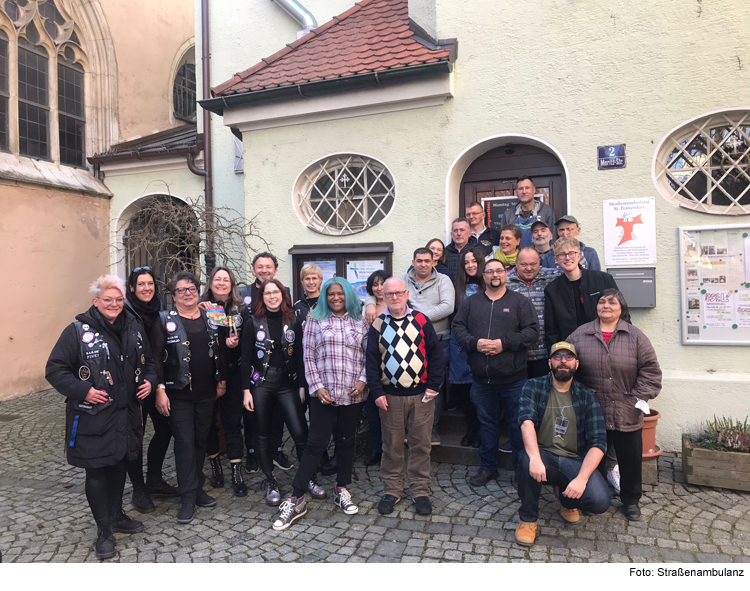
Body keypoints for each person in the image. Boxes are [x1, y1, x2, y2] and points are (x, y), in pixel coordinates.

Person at [46, 275, 157, 559]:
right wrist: (83, 390)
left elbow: (150, 360)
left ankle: (118, 514)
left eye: (119, 299)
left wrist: (149, 380)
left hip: (127, 413)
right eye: (108, 300)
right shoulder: (76, 331)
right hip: (94, 416)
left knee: (120, 463)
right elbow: (55, 369)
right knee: (97, 471)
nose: (114, 305)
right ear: (96, 302)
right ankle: (104, 529)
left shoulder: (133, 326)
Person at [272, 278, 370, 530]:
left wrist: (363, 380)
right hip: (324, 394)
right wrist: (317, 387)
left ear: (347, 295)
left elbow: (368, 356)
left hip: (353, 393)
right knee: (315, 444)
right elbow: (308, 357)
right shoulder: (316, 319)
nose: (335, 298)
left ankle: (342, 487)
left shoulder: (360, 319)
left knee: (346, 441)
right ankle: (296, 497)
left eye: (340, 293)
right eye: (331, 294)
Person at [568, 289, 662, 521]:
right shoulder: (580, 335)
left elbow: (651, 371)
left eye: (612, 302)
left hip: (626, 411)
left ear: (622, 308)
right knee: (594, 457)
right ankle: (595, 497)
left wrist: (637, 399)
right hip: (593, 411)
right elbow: (568, 367)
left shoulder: (635, 337)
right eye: (602, 302)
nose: (606, 306)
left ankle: (631, 500)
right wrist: (579, 396)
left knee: (630, 459)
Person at [514, 342, 611, 546]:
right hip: (544, 456)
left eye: (568, 357)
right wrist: (534, 458)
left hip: (574, 460)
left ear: (576, 363)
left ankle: (566, 500)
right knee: (525, 460)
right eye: (558, 357)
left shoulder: (586, 396)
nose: (563, 361)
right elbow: (526, 421)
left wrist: (582, 479)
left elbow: (598, 442)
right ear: (549, 363)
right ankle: (528, 520)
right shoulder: (533, 386)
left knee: (600, 500)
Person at [452, 259, 539, 486]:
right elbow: (458, 327)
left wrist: (505, 343)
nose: (494, 275)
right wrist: (474, 343)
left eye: (498, 270)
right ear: (483, 275)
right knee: (487, 424)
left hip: (514, 379)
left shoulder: (520, 302)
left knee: (518, 425)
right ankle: (488, 467)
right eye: (489, 271)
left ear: (505, 274)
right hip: (481, 380)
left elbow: (532, 332)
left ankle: (522, 470)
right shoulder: (471, 303)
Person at [151, 271, 226, 524]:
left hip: (206, 393)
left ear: (197, 290)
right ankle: (186, 497)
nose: (187, 292)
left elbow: (220, 350)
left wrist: (221, 379)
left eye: (191, 288)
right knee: (184, 442)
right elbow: (156, 358)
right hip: (178, 393)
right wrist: (159, 389)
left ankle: (197, 487)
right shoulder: (164, 320)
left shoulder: (210, 316)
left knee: (201, 441)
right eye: (181, 290)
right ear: (173, 295)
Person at [366, 277, 445, 516]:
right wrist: (377, 392)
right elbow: (370, 362)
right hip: (390, 397)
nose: (395, 297)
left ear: (407, 294)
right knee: (391, 446)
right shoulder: (378, 325)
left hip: (421, 396)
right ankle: (392, 490)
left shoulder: (421, 321)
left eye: (399, 293)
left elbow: (436, 355)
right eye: (390, 294)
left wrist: (433, 386)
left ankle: (420, 491)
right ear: (384, 296)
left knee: (421, 444)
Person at [241, 279, 322, 506]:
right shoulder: (253, 322)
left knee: (300, 432)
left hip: (287, 384)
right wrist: (245, 390)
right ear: (262, 297)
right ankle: (270, 480)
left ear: (282, 295)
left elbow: (299, 355)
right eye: (267, 293)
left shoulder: (293, 320)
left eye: (275, 292)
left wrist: (303, 386)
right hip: (260, 384)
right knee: (262, 433)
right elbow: (245, 358)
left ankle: (307, 477)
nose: (272, 296)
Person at [123, 266, 179, 514]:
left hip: (154, 381)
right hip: (133, 387)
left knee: (165, 429)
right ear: (132, 288)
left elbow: (157, 353)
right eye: (141, 284)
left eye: (150, 284)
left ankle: (154, 479)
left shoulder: (158, 311)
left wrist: (158, 385)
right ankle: (138, 488)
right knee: (135, 438)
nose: (147, 288)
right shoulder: (126, 313)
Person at [237, 252, 293, 474]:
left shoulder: (284, 292)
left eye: (268, 267)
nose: (264, 270)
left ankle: (276, 449)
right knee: (252, 413)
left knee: (277, 412)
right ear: (253, 270)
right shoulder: (242, 294)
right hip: (252, 364)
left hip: (278, 366)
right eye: (259, 267)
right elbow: (234, 320)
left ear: (275, 270)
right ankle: (252, 452)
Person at [201, 266, 249, 497]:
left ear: (232, 285)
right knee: (209, 422)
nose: (221, 283)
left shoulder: (241, 310)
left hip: (233, 372)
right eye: (217, 279)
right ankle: (214, 466)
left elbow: (249, 342)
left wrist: (237, 343)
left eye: (225, 280)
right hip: (208, 375)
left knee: (232, 421)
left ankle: (236, 472)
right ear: (210, 283)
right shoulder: (200, 308)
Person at [544, 237, 619, 350]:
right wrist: (557, 353)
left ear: (579, 256)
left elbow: (622, 313)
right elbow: (552, 329)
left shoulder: (603, 279)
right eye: (562, 254)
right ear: (556, 259)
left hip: (605, 346)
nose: (567, 258)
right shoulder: (552, 290)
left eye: (571, 253)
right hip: (571, 350)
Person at [448, 247, 485, 447]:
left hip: (481, 342)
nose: (470, 266)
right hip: (460, 343)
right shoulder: (457, 286)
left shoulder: (488, 284)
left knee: (480, 389)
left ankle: (480, 429)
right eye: (466, 263)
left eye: (474, 262)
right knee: (463, 388)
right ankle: (470, 427)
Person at [506, 248, 561, 378]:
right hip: (515, 353)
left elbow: (575, 269)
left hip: (545, 353)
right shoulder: (505, 281)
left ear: (539, 263)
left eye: (533, 264)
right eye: (524, 264)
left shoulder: (553, 276)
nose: (529, 268)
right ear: (516, 263)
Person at [363, 269, 389, 467]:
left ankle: (392, 451)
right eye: (375, 284)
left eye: (382, 283)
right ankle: (376, 450)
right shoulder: (367, 306)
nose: (379, 288)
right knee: (373, 412)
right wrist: (370, 302)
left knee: (392, 412)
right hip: (372, 364)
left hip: (394, 366)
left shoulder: (398, 304)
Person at [502, 177, 557, 248]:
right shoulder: (508, 215)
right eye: (521, 189)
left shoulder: (547, 212)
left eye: (527, 188)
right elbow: (503, 242)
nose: (524, 191)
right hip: (515, 258)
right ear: (516, 192)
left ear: (534, 190)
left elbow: (554, 241)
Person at [444, 217, 475, 283]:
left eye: (462, 230)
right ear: (451, 234)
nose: (458, 233)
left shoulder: (477, 251)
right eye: (455, 230)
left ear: (470, 233)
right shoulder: (445, 252)